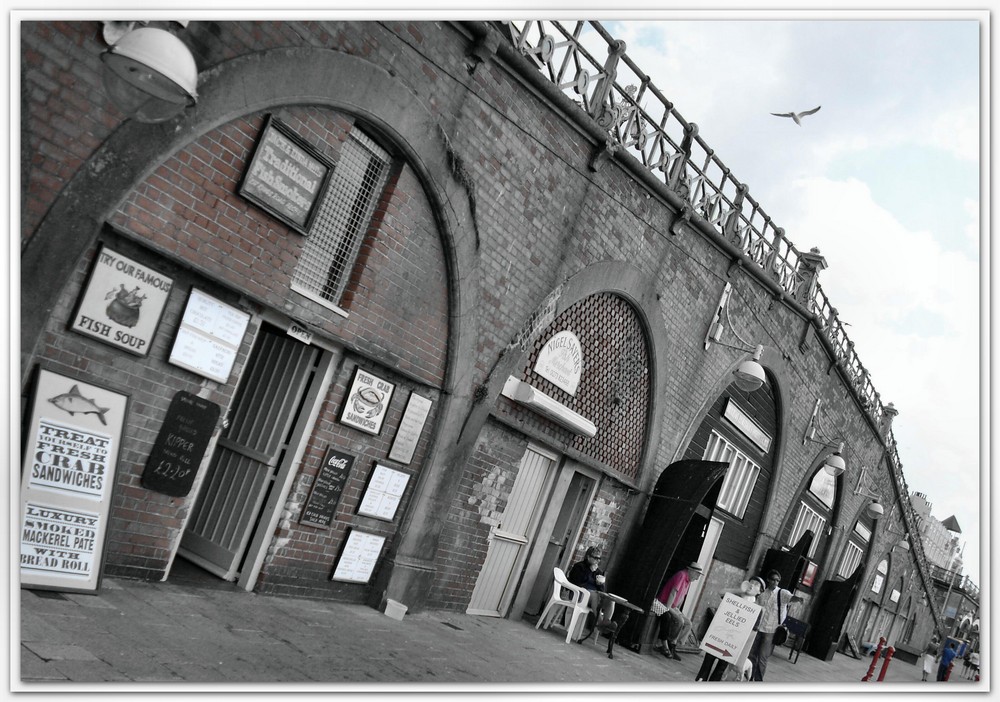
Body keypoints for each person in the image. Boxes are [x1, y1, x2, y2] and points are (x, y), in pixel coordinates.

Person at [695, 576, 765, 682]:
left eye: (756, 584)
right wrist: (739, 590)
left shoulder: (757, 610)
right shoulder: (733, 598)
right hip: (718, 637)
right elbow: (721, 592)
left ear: (760, 591)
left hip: (732, 644)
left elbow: (752, 632)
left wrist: (741, 653)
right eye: (751, 582)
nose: (752, 585)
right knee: (706, 664)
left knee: (720, 670)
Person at [747, 569, 801, 681]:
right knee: (752, 654)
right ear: (768, 580)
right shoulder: (762, 593)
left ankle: (758, 681)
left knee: (762, 657)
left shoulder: (782, 593)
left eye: (778, 580)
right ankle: (749, 677)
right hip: (758, 628)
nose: (776, 582)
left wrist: (799, 599)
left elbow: (791, 598)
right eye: (774, 580)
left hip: (770, 631)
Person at [652, 562, 703, 660]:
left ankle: (673, 646)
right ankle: (666, 645)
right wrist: (668, 608)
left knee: (688, 624)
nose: (697, 578)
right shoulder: (682, 575)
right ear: (691, 571)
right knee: (680, 621)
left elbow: (682, 597)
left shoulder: (688, 580)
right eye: (697, 574)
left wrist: (678, 610)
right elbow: (673, 592)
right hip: (664, 603)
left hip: (674, 606)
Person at [567, 546, 616, 634]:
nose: (598, 560)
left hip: (593, 598)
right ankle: (601, 624)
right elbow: (576, 582)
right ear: (588, 557)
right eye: (595, 558)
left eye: (599, 558)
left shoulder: (599, 572)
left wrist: (600, 584)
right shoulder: (579, 566)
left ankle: (606, 622)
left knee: (611, 600)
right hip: (578, 595)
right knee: (594, 595)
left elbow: (603, 591)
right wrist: (590, 572)